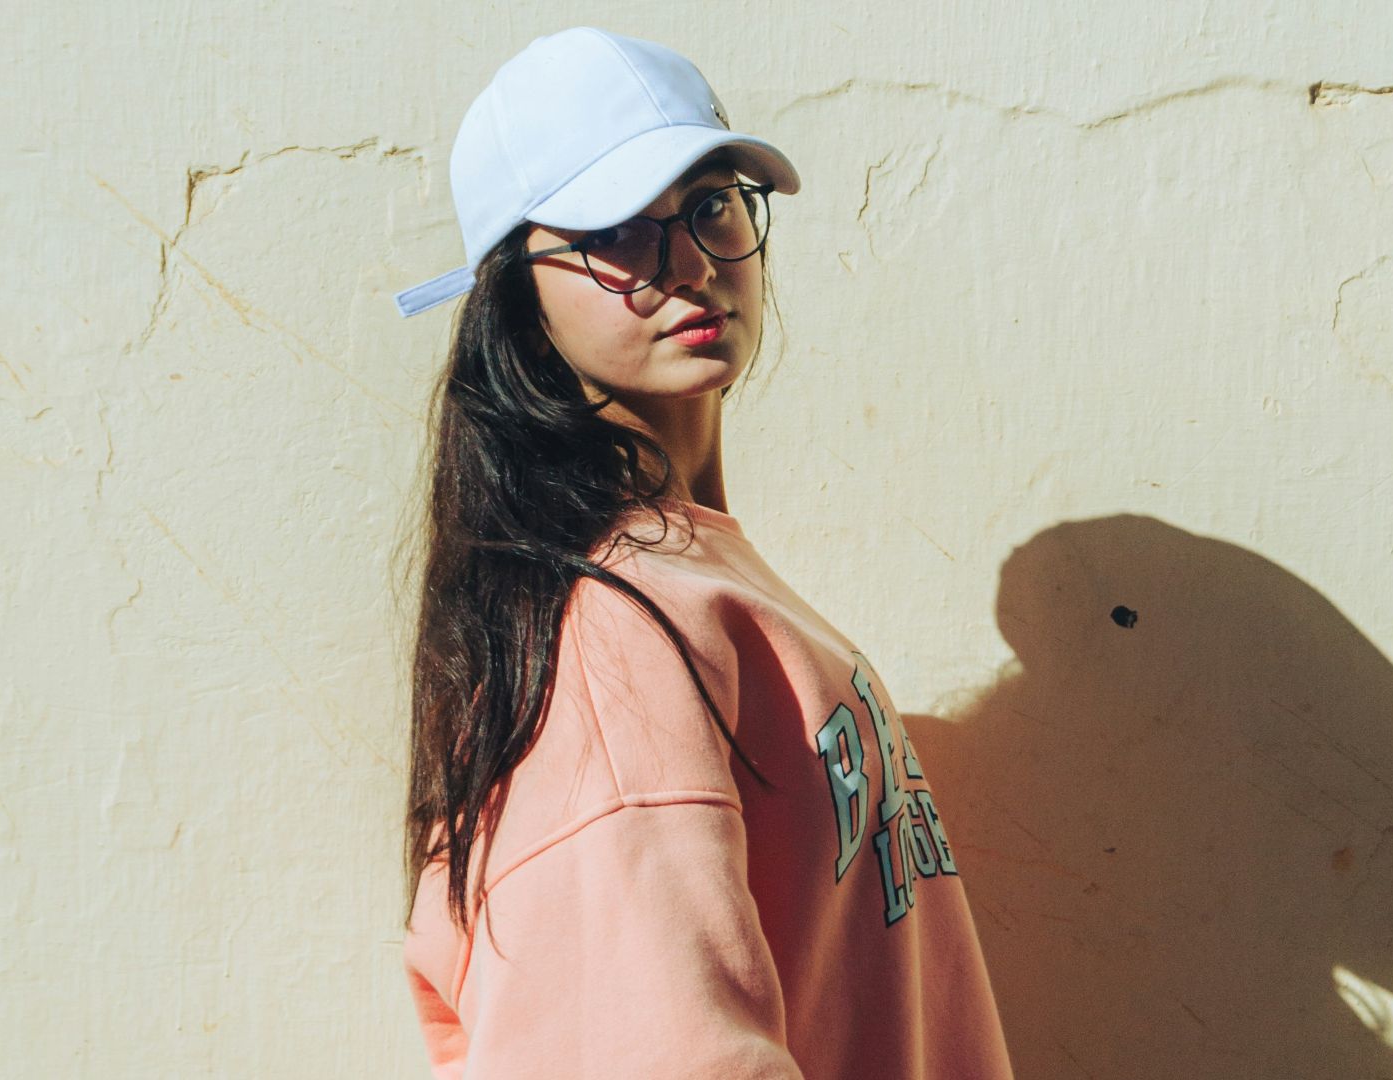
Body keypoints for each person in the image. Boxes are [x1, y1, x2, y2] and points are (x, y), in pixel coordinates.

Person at [391, 26, 1014, 1080]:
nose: (688, 262)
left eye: (712, 204)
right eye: (614, 232)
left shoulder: (695, 577)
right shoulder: (613, 629)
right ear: (517, 294)